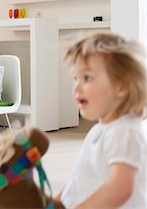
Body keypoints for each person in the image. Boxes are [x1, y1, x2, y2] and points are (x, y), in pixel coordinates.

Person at [58, 32, 146, 208]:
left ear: (121, 86)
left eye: (87, 78)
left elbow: (120, 188)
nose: (77, 86)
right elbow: (79, 178)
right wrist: (57, 200)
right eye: (76, 77)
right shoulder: (101, 129)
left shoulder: (125, 131)